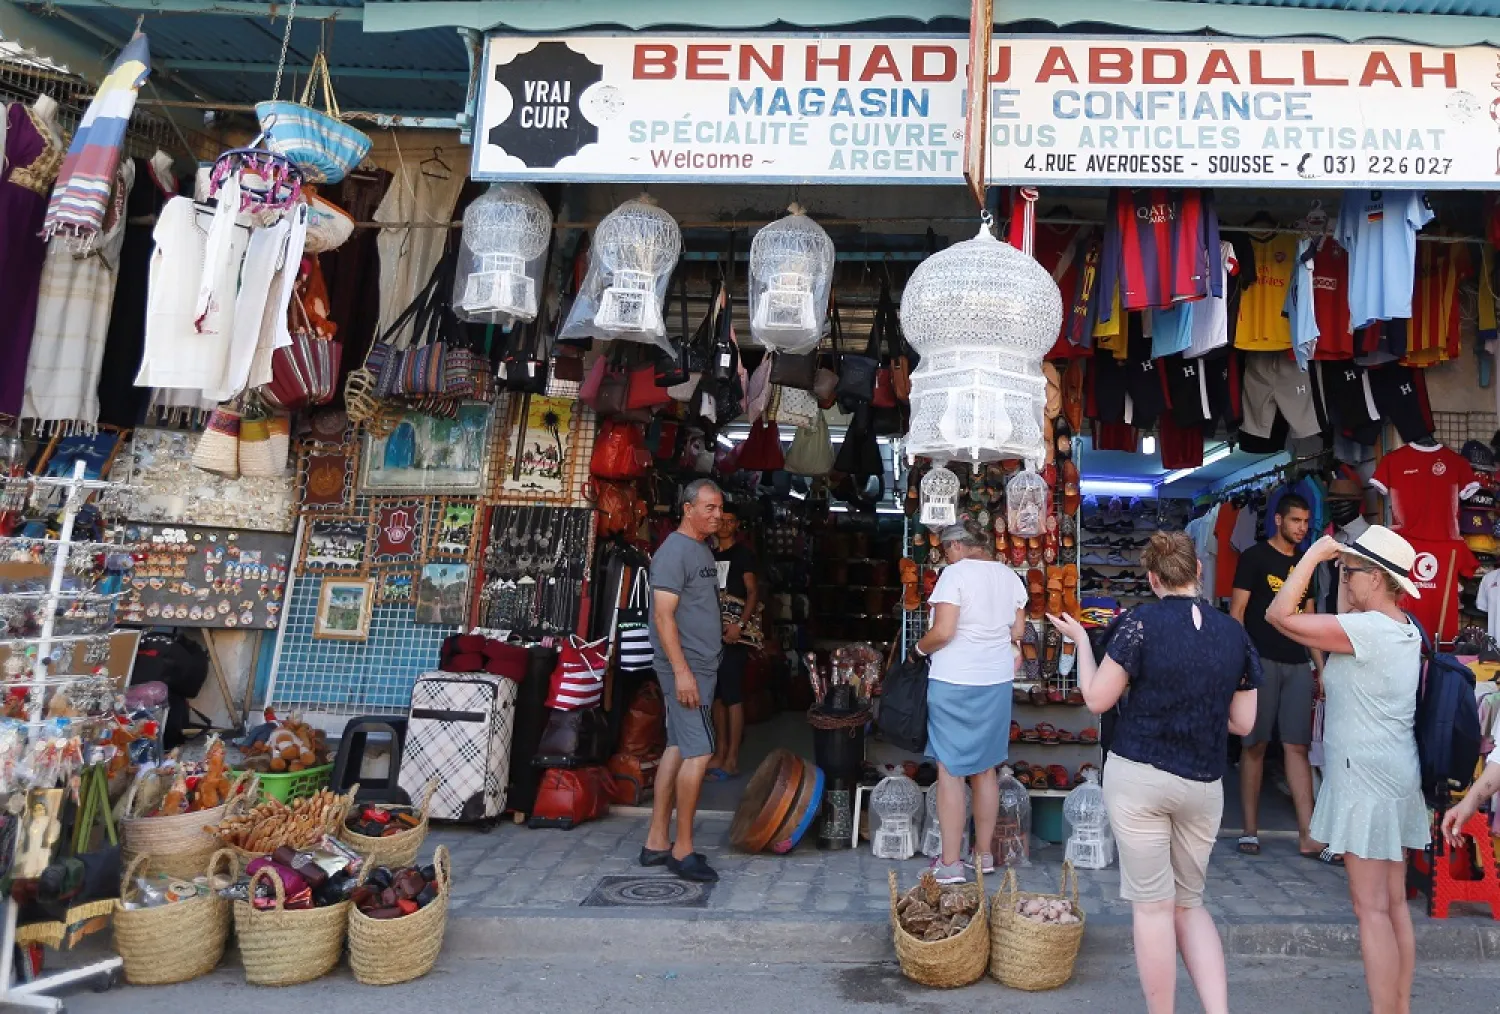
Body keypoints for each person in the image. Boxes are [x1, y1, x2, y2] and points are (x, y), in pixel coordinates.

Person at [1050, 531, 1260, 1014]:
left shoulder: (1137, 624)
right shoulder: (1234, 633)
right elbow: (1244, 723)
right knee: (1190, 904)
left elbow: (1098, 700)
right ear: (1198, 572)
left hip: (1140, 775)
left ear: (1151, 578)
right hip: (1204, 782)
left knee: (1152, 909)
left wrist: (1083, 642)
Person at [1265, 527, 1428, 1014]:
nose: (1345, 579)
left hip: (1366, 780)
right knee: (1393, 904)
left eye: (1350, 571)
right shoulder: (1404, 626)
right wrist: (1337, 564)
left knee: (1370, 909)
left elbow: (1278, 614)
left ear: (1376, 577)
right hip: (1394, 770)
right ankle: (1399, 1007)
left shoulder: (1367, 630)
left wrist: (1314, 554)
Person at [911, 523, 1026, 884]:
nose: (947, 556)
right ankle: (983, 856)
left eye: (947, 549)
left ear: (958, 545)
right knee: (986, 769)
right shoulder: (1010, 578)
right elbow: (1018, 632)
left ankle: (949, 864)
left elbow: (943, 631)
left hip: (954, 681)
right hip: (995, 682)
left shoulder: (955, 575)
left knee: (950, 770)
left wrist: (917, 650)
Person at [1230, 491, 1323, 860]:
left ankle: (1308, 835)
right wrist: (1241, 661)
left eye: (1306, 522)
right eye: (1296, 520)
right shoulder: (1254, 558)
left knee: (1297, 747)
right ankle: (1249, 831)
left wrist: (1321, 667)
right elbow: (1237, 613)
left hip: (1298, 662)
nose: (1301, 528)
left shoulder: (1306, 564)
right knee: (1254, 745)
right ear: (1279, 520)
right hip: (1260, 660)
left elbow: (1311, 618)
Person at [642, 479, 725, 883]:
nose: (717, 514)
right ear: (687, 508)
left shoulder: (701, 549)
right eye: (708, 507)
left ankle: (657, 840)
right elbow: (662, 617)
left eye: (719, 507)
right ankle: (683, 849)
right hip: (687, 668)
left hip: (699, 665)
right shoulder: (673, 552)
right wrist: (681, 672)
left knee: (677, 747)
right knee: (700, 753)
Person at [706, 504, 757, 781]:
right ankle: (720, 751)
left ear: (737, 525)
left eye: (729, 520)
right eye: (720, 520)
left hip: (734, 633)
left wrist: (740, 625)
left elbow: (752, 592)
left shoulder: (743, 555)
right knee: (716, 695)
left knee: (733, 695)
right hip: (710, 632)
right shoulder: (708, 554)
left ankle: (733, 757)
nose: (724, 525)